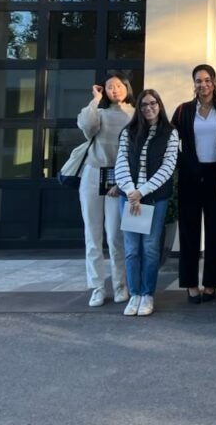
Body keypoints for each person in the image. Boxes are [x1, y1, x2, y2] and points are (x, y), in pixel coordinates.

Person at [171, 64, 216, 304]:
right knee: (189, 232)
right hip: (190, 177)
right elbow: (171, 143)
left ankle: (211, 283)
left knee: (215, 231)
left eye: (207, 80)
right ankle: (191, 284)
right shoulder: (183, 111)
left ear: (214, 83)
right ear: (194, 84)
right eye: (198, 81)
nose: (203, 85)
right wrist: (182, 163)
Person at [115, 89, 179, 317]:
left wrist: (142, 191)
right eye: (144, 105)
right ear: (139, 109)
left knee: (150, 249)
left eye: (153, 103)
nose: (149, 108)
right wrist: (131, 191)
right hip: (130, 199)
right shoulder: (129, 132)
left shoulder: (170, 133)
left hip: (154, 199)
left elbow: (168, 167)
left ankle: (147, 294)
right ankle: (135, 295)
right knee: (132, 249)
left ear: (159, 105)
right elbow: (121, 161)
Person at [76, 72, 134, 307]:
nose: (114, 90)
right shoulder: (97, 113)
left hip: (117, 175)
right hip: (92, 173)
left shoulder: (133, 113)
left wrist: (122, 181)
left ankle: (121, 284)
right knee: (93, 235)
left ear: (126, 88)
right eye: (109, 87)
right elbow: (86, 127)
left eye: (118, 86)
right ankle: (97, 287)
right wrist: (94, 99)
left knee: (115, 235)